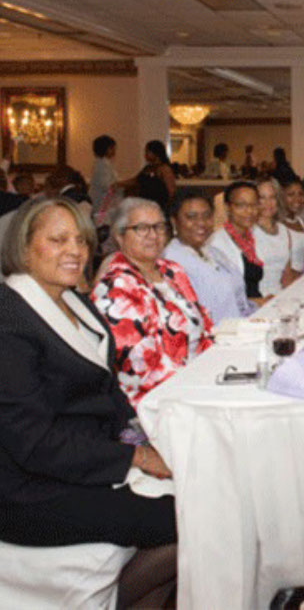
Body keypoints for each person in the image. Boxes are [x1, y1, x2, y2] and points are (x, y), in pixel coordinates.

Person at [0, 197, 177, 605]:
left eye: (80, 240)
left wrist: (142, 441)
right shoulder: (8, 320)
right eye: (58, 240)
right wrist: (135, 458)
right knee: (187, 517)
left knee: (199, 486)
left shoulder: (74, 301)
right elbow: (34, 442)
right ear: (23, 247)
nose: (75, 251)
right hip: (31, 490)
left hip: (86, 461)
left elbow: (109, 393)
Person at [92, 197, 213, 405]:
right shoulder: (116, 286)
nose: (153, 235)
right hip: (155, 399)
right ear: (120, 236)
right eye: (141, 228)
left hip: (197, 379)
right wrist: (199, 383)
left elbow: (204, 325)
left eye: (158, 227)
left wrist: (214, 368)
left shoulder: (172, 270)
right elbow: (139, 369)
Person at [163, 190, 254, 325]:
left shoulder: (212, 252)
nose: (201, 223)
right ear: (174, 221)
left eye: (207, 216)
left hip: (238, 327)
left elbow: (235, 299)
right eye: (191, 217)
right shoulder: (171, 262)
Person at [208, 181, 268, 301]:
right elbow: (220, 296)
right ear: (227, 208)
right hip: (238, 309)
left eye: (254, 205)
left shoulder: (253, 236)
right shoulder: (216, 244)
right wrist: (258, 302)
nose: (249, 211)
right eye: (241, 205)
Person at [253, 177, 298, 296]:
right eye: (262, 198)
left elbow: (287, 274)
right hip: (258, 298)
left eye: (272, 197)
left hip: (280, 295)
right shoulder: (249, 232)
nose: (268, 203)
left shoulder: (283, 230)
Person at [279, 178, 304, 273]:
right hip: (290, 278)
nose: (297, 199)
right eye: (291, 195)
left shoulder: (302, 221)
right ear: (281, 197)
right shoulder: (278, 225)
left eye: (301, 194)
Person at [135, 140, 176, 213]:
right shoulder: (148, 168)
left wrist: (167, 208)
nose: (145, 155)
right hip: (144, 206)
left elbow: (171, 191)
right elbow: (136, 180)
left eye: (147, 152)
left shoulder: (164, 169)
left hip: (158, 207)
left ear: (155, 153)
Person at [89, 134, 118, 220]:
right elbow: (107, 185)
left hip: (106, 202)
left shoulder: (106, 163)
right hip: (101, 203)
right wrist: (123, 184)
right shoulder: (102, 164)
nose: (114, 150)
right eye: (112, 148)